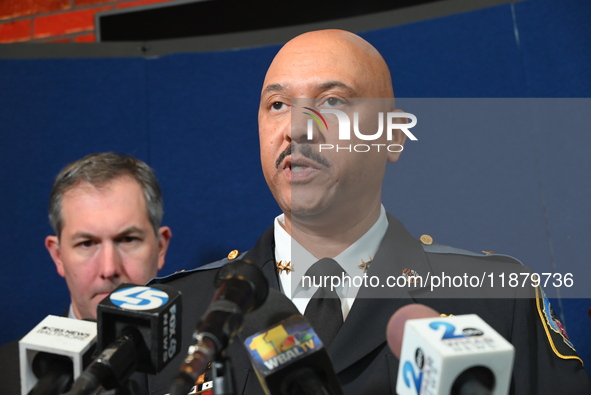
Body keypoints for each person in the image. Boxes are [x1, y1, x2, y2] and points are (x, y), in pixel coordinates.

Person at [146, 30, 590, 394]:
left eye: (333, 102)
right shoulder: (178, 315)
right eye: (277, 105)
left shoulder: (497, 300)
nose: (297, 128)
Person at [0, 152, 172, 394]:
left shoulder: (205, 361)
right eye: (87, 243)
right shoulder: (4, 375)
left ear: (160, 248)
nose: (109, 269)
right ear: (58, 256)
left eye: (127, 239)